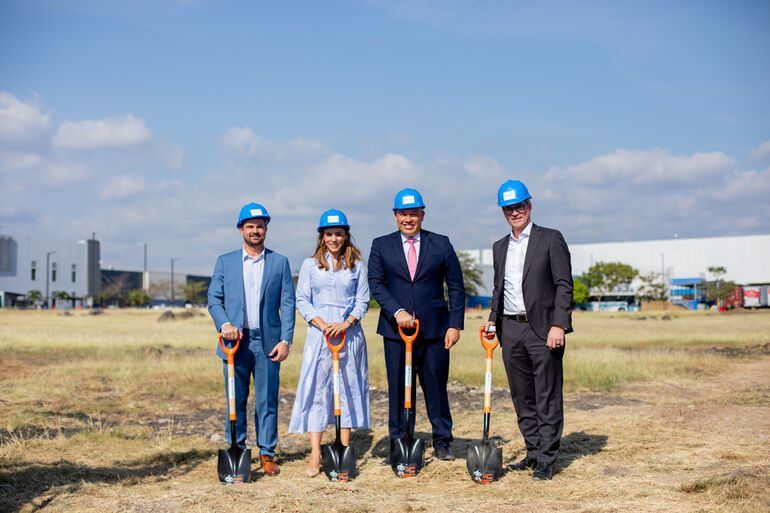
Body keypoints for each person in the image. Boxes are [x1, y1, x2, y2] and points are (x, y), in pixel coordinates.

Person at [484, 180, 573, 481]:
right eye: (509, 208)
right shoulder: (500, 247)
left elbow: (563, 285)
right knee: (522, 396)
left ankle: (547, 460)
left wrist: (559, 324)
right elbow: (499, 290)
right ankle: (533, 452)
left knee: (547, 395)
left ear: (529, 206)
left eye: (519, 206)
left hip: (543, 330)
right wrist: (492, 321)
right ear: (503, 212)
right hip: (510, 330)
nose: (515, 212)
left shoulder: (550, 239)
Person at [368, 188, 465, 462]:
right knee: (398, 389)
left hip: (434, 331)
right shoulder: (381, 245)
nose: (408, 219)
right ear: (395, 215)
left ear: (422, 214)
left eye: (413, 213)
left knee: (436, 386)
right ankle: (400, 442)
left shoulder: (441, 243)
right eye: (403, 214)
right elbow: (376, 283)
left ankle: (443, 441)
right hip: (395, 333)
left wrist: (454, 325)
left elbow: (456, 287)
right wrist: (397, 311)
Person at [208, 202, 295, 477]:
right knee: (236, 399)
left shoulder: (279, 262)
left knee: (267, 400)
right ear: (241, 229)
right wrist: (224, 324)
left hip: (268, 343)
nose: (255, 231)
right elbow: (214, 298)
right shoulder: (225, 261)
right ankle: (237, 448)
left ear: (266, 229)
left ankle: (267, 453)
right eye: (250, 226)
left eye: (260, 226)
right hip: (235, 344)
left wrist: (286, 340)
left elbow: (288, 304)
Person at [288, 209, 371, 477]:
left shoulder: (357, 265)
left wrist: (346, 323)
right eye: (329, 234)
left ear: (346, 235)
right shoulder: (310, 265)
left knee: (346, 391)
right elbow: (302, 300)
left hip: (349, 335)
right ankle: (315, 454)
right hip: (319, 335)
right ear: (321, 236)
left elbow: (362, 300)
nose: (334, 238)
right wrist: (322, 324)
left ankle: (343, 450)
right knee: (318, 392)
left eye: (338, 233)